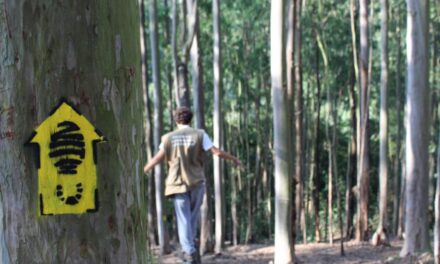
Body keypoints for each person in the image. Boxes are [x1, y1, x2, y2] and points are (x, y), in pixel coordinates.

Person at [143, 106, 241, 264]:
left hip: (177, 183)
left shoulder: (168, 137)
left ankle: (189, 252)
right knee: (191, 219)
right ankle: (191, 251)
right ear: (190, 119)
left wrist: (144, 170)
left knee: (184, 220)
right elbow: (216, 152)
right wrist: (233, 159)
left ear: (176, 120)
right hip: (197, 182)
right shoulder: (200, 134)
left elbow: (157, 158)